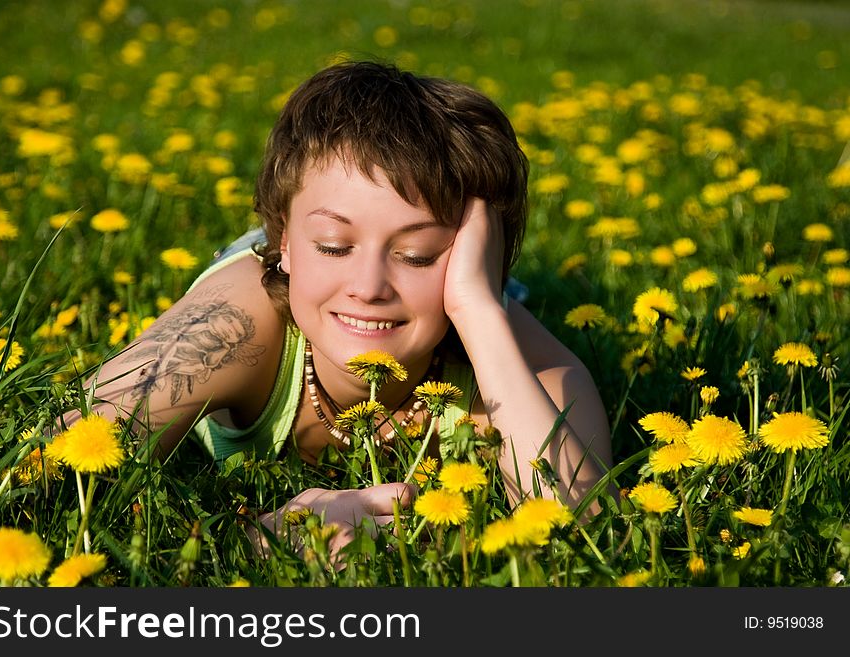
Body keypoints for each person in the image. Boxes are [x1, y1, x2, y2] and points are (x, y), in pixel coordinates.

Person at [64, 61, 612, 559]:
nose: (368, 287)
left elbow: (587, 532)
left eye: (416, 255)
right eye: (333, 245)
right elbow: (49, 458)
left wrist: (479, 307)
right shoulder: (233, 326)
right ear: (283, 238)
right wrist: (257, 540)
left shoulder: (510, 346)